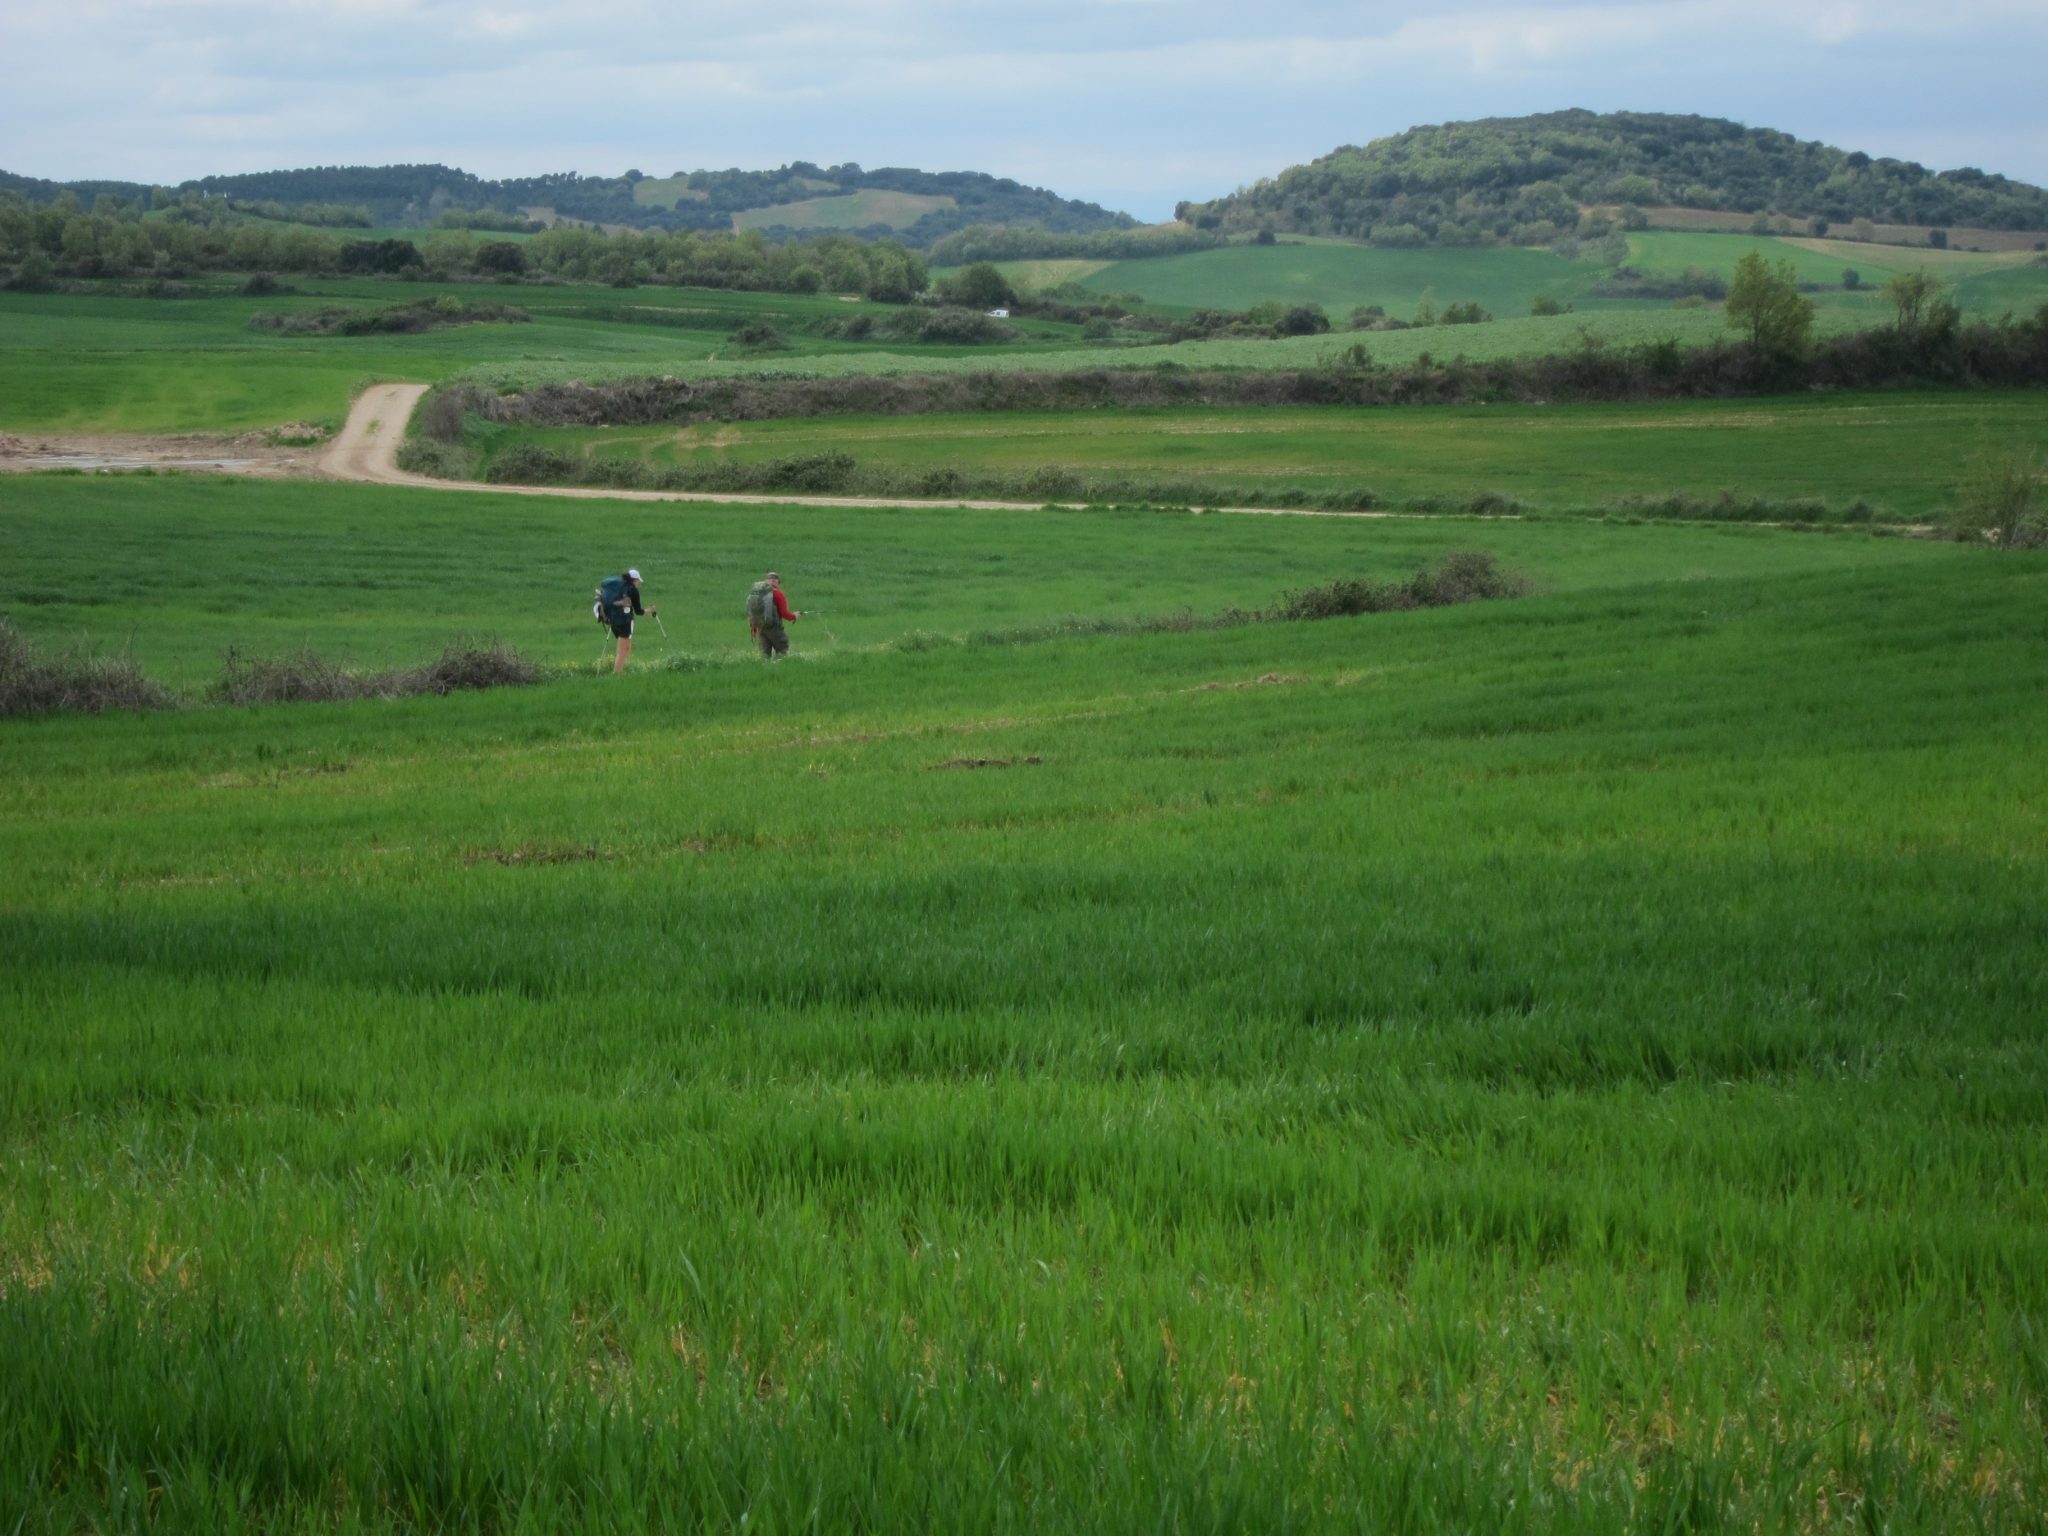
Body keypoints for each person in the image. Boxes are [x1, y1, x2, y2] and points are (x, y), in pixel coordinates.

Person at [594, 567, 655, 674]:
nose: (638, 583)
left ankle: (621, 671)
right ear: (635, 580)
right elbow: (638, 611)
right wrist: (649, 611)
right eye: (638, 581)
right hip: (625, 622)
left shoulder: (617, 586)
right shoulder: (633, 590)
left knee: (626, 648)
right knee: (623, 651)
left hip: (612, 621)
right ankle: (616, 675)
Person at [746, 570, 803, 659]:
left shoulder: (756, 595)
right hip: (774, 628)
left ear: (766, 581)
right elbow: (784, 614)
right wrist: (794, 616)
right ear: (778, 582)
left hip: (761, 628)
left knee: (765, 655)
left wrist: (754, 629)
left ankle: (765, 667)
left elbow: (751, 613)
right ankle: (779, 667)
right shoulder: (778, 594)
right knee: (782, 651)